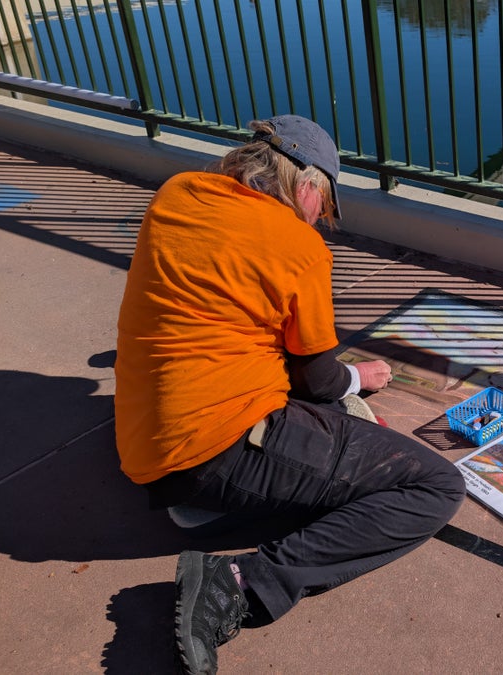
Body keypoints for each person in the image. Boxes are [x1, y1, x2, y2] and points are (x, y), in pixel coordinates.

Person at [113, 114, 465, 674]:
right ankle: (238, 585)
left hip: (143, 437)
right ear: (307, 186)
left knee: (326, 421)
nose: (319, 220)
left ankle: (205, 502)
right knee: (434, 484)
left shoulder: (177, 194)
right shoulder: (296, 244)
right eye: (323, 207)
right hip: (210, 445)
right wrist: (361, 376)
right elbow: (317, 381)